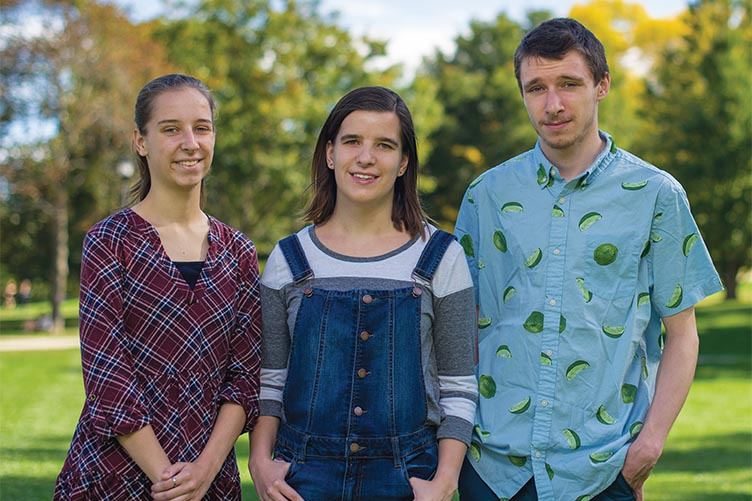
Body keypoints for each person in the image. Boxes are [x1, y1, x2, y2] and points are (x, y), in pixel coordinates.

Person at [454, 18, 722, 501]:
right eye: (536, 88)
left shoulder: (656, 194)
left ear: (601, 86)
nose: (552, 104)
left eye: (569, 84)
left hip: (602, 468)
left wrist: (650, 445)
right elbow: (461, 329)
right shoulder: (485, 195)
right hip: (492, 469)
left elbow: (682, 334)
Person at [248, 86, 478, 501]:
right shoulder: (289, 258)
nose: (366, 158)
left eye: (384, 145)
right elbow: (270, 380)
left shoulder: (441, 257)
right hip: (301, 478)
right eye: (352, 141)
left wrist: (444, 480)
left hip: (408, 478)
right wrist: (260, 462)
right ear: (331, 154)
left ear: (404, 162)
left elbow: (458, 385)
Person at [54, 74, 262, 501]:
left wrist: (203, 472)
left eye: (201, 128)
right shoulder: (110, 241)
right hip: (113, 476)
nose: (190, 142)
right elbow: (108, 377)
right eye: (171, 129)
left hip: (211, 479)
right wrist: (168, 479)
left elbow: (244, 377)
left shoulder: (239, 250)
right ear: (141, 141)